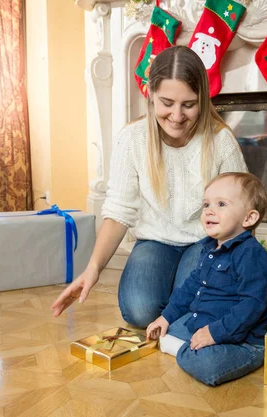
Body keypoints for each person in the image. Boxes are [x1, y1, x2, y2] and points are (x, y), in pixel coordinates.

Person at [51, 46, 248, 326]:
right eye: (167, 102)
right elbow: (119, 211)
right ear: (150, 94)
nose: (177, 116)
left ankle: (182, 299)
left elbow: (240, 212)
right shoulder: (131, 140)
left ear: (203, 100)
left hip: (206, 241)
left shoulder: (221, 142)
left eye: (189, 104)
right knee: (139, 310)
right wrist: (92, 269)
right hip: (155, 242)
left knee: (192, 306)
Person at [146, 172, 267, 386]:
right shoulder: (209, 247)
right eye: (206, 204)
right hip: (206, 322)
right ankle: (188, 345)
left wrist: (215, 333)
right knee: (172, 327)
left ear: (249, 218)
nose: (209, 211)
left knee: (208, 366)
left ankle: (187, 350)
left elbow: (252, 305)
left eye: (221, 204)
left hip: (242, 340)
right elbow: (191, 287)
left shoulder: (251, 254)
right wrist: (165, 317)